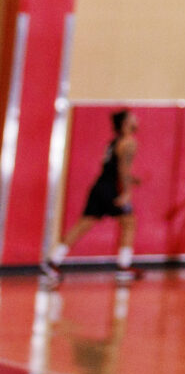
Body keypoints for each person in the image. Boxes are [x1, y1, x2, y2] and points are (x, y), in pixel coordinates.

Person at [43, 110, 142, 284]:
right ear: (126, 122)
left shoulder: (114, 142)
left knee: (84, 224)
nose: (137, 120)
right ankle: (124, 267)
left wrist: (131, 179)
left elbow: (112, 167)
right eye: (133, 118)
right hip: (111, 189)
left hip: (99, 187)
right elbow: (123, 170)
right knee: (129, 221)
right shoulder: (129, 142)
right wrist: (126, 192)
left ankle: (53, 260)